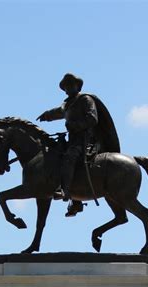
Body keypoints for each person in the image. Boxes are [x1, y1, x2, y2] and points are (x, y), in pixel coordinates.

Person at [37, 73, 120, 217]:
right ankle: (76, 201)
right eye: (65, 87)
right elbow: (59, 112)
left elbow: (92, 118)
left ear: (77, 86)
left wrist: (75, 126)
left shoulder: (85, 99)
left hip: (87, 141)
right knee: (56, 156)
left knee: (70, 157)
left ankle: (65, 191)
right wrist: (47, 115)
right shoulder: (68, 104)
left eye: (70, 85)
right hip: (74, 140)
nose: (67, 89)